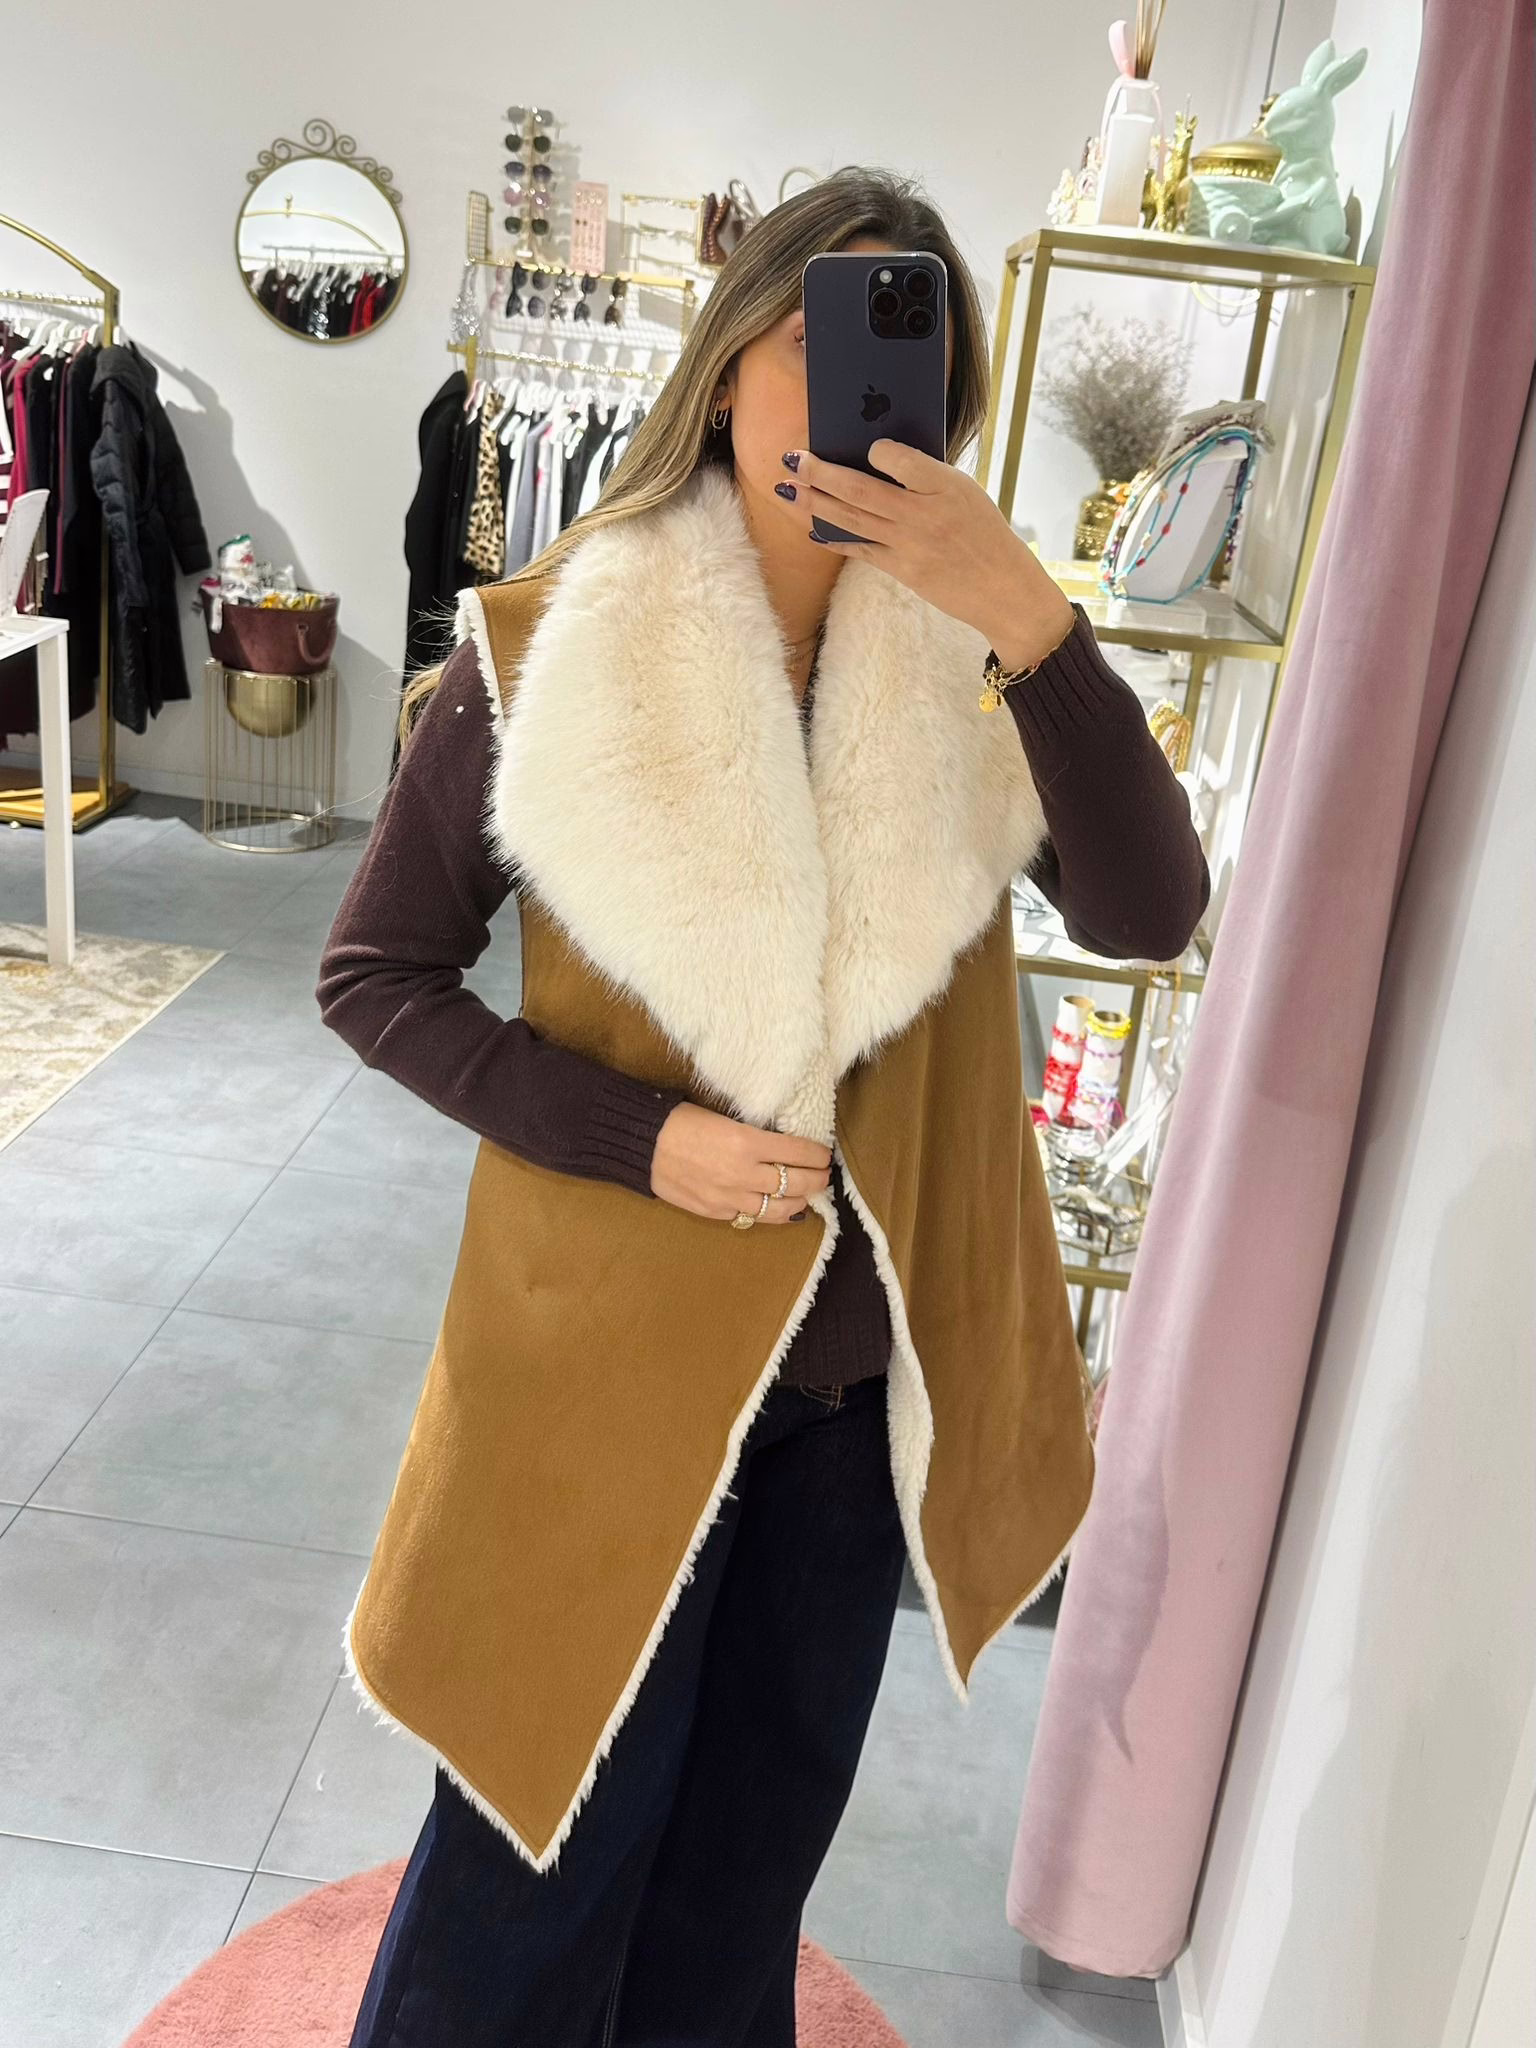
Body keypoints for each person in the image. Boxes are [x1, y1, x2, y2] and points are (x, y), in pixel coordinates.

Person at [317, 164, 1209, 2048]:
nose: (856, 398)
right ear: (730, 367)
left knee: (739, 1893)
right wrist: (640, 1139)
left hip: (845, 1406)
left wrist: (1033, 619)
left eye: (906, 359)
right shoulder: (547, 651)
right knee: (526, 1874)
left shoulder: (981, 680)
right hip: (604, 1372)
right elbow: (374, 978)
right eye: (818, 344)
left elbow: (1151, 913)